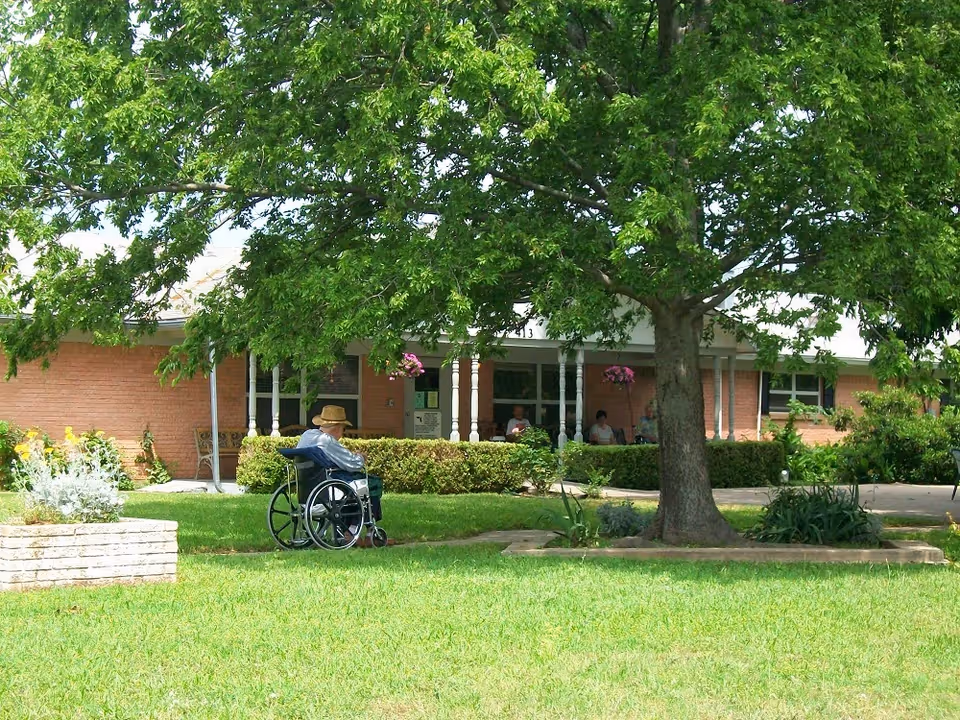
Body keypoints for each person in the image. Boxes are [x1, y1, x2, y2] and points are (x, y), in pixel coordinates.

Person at [297, 405, 382, 525]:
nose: (342, 433)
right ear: (337, 428)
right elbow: (353, 464)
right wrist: (361, 457)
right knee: (371, 484)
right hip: (326, 493)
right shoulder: (326, 441)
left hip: (308, 496)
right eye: (343, 429)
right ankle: (361, 531)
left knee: (352, 486)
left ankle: (344, 532)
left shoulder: (307, 436)